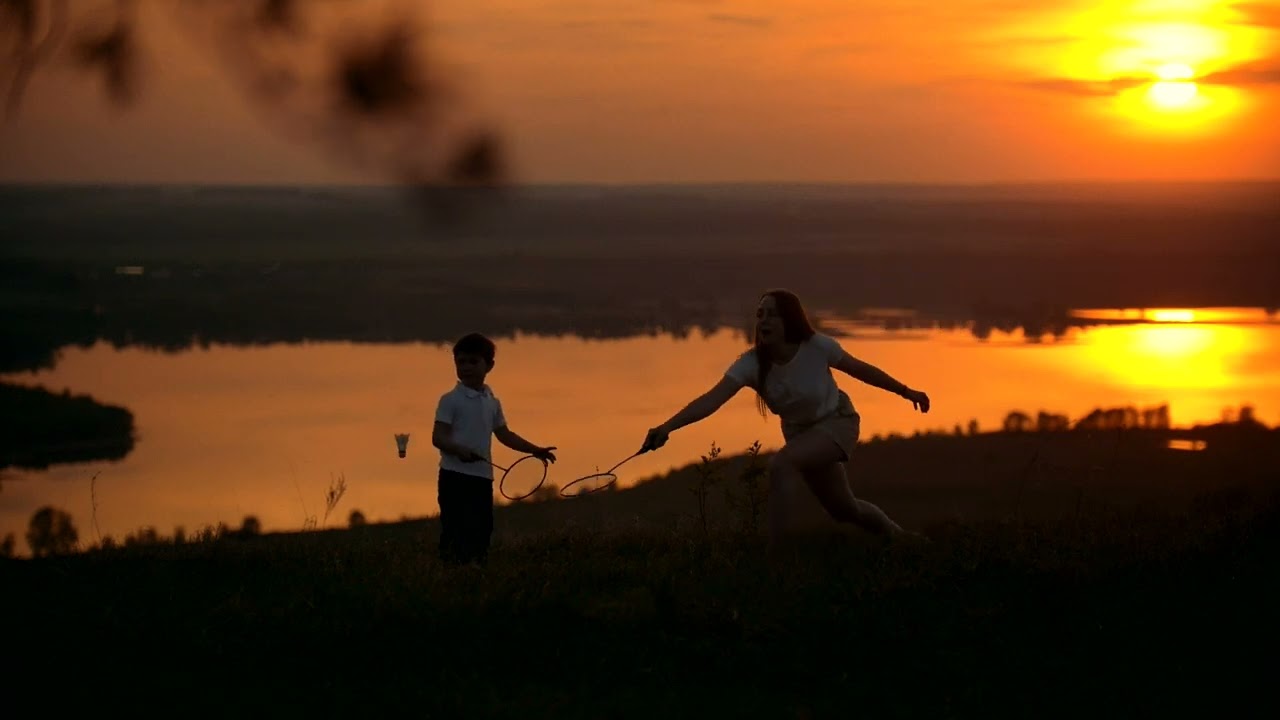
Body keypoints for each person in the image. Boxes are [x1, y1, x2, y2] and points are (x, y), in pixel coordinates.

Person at [641, 289, 930, 545]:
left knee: (781, 464)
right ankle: (904, 540)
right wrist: (667, 427)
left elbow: (862, 370)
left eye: (772, 315)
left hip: (837, 421)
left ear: (789, 320)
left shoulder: (817, 347)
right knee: (845, 511)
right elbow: (711, 400)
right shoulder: (751, 364)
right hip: (800, 434)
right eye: (760, 314)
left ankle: (775, 557)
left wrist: (906, 392)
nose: (763, 321)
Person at [432, 332, 556, 565]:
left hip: (482, 478)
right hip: (453, 477)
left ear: (489, 365)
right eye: (461, 362)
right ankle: (448, 578)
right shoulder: (449, 400)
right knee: (454, 531)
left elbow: (504, 435)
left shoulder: (492, 402)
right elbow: (438, 438)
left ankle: (476, 575)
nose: (466, 367)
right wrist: (459, 451)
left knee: (482, 531)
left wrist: (534, 450)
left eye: (473, 362)